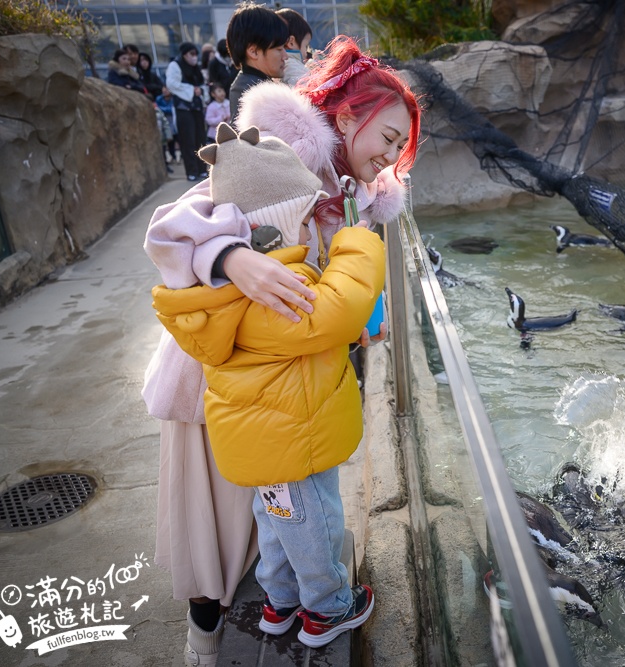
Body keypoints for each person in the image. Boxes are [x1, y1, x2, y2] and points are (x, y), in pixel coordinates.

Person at [142, 34, 420, 664]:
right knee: (227, 525)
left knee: (268, 508)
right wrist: (231, 256)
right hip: (221, 368)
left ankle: (274, 607)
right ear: (350, 116)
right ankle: (263, 625)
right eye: (388, 137)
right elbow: (171, 225)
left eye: (402, 148)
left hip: (272, 372)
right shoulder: (280, 154)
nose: (392, 156)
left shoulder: (345, 186)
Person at [153, 121, 384, 649]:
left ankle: (279, 604)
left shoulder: (223, 297)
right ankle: (327, 610)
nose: (311, 235)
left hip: (263, 443)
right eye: (305, 223)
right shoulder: (275, 292)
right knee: (313, 523)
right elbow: (339, 313)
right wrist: (357, 245)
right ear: (275, 229)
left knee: (276, 520)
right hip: (293, 438)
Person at [225, 2, 289, 127]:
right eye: (279, 49)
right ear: (253, 52)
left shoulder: (248, 83)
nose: (285, 56)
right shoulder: (253, 93)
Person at [167, 42, 209, 181]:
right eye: (191, 54)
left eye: (196, 54)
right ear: (184, 54)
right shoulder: (175, 66)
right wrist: (192, 90)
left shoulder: (195, 68)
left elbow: (203, 85)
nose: (194, 57)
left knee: (200, 138)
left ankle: (202, 169)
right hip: (183, 108)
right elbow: (172, 84)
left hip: (197, 107)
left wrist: (200, 90)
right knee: (188, 140)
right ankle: (191, 171)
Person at [275, 8, 312, 89]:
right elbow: (308, 89)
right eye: (306, 46)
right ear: (291, 42)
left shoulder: (280, 64)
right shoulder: (290, 65)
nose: (306, 52)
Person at [156, 85, 179, 165]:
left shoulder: (174, 99)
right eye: (164, 88)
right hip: (163, 122)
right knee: (168, 141)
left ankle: (176, 157)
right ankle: (171, 157)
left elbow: (172, 109)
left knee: (176, 139)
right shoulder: (159, 99)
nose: (165, 90)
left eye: (167, 89)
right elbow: (158, 108)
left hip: (173, 121)